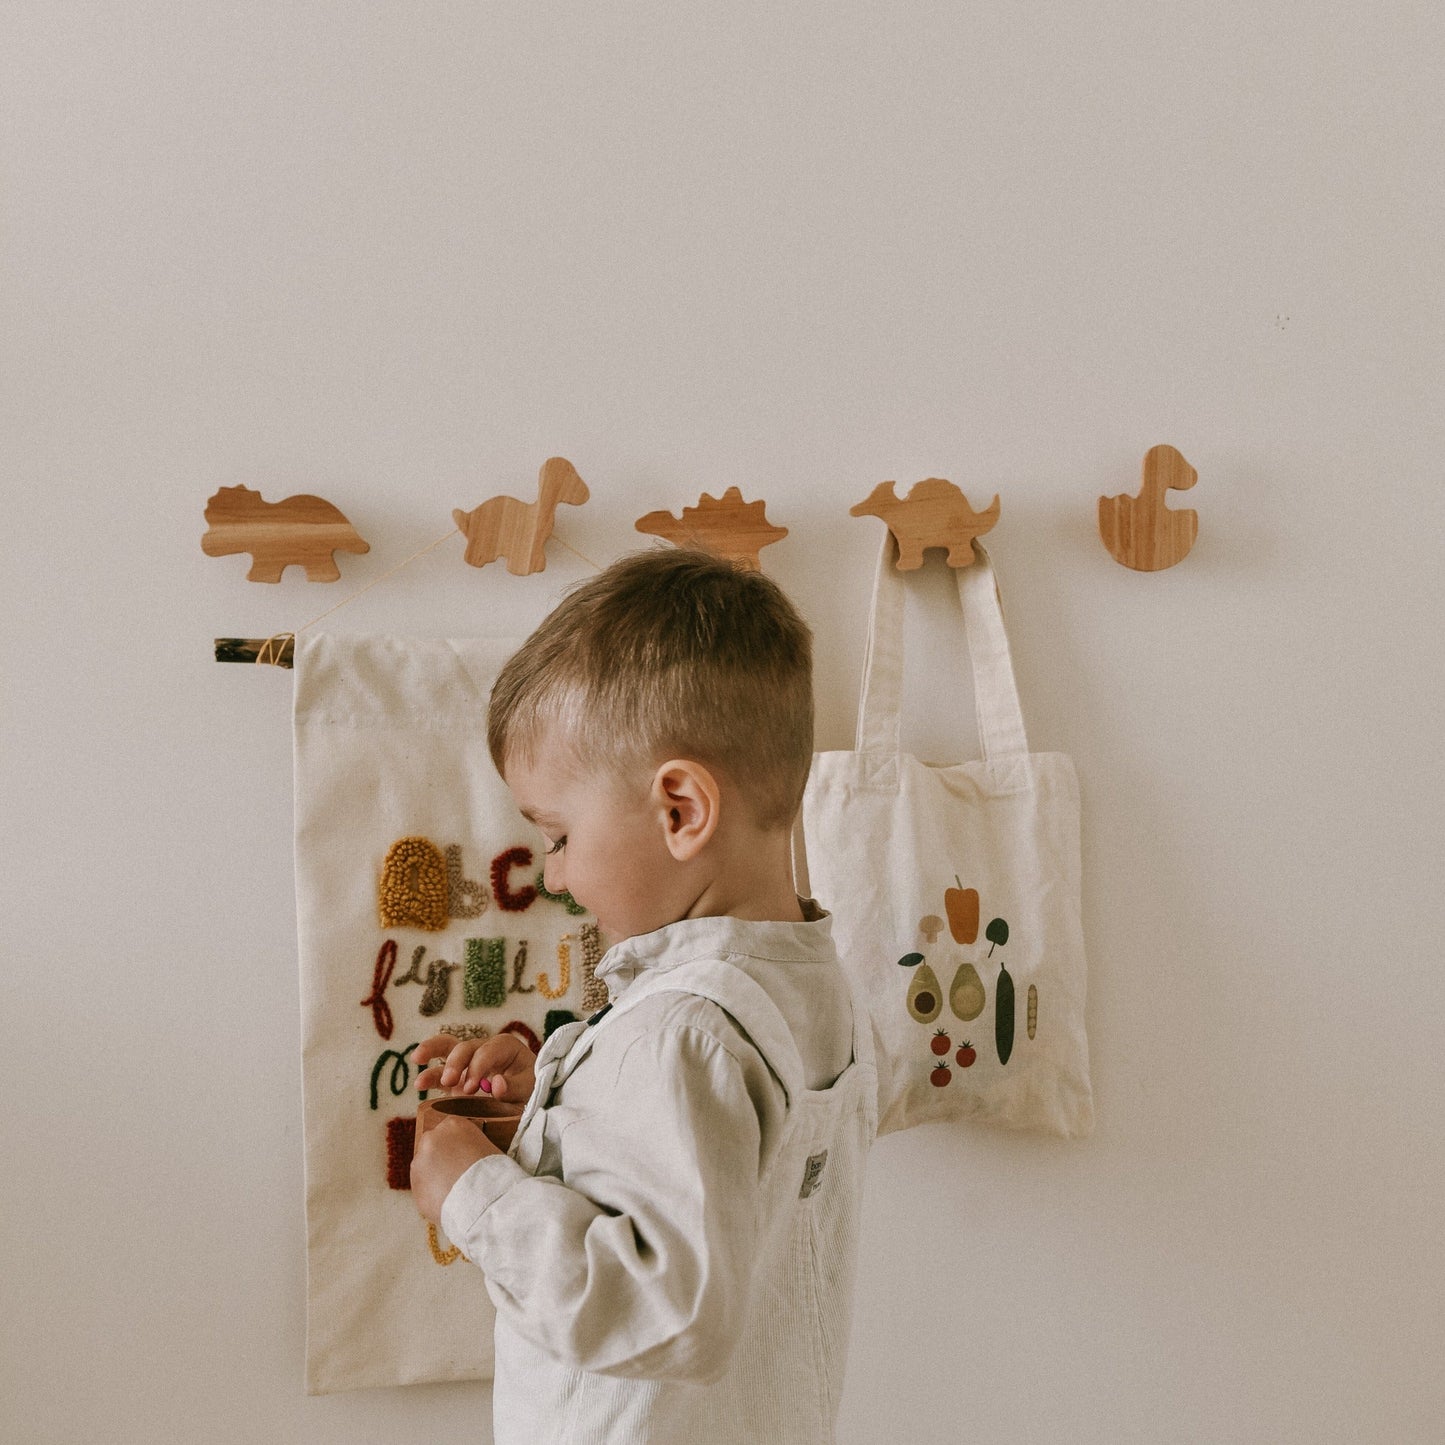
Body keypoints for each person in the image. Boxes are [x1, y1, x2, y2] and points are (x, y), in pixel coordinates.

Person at [409, 547, 878, 1444]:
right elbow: (712, 1182)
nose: (553, 874)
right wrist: (549, 1111)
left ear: (679, 811)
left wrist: (476, 1195)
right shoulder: (811, 988)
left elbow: (669, 1307)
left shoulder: (679, 1030)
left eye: (556, 834)